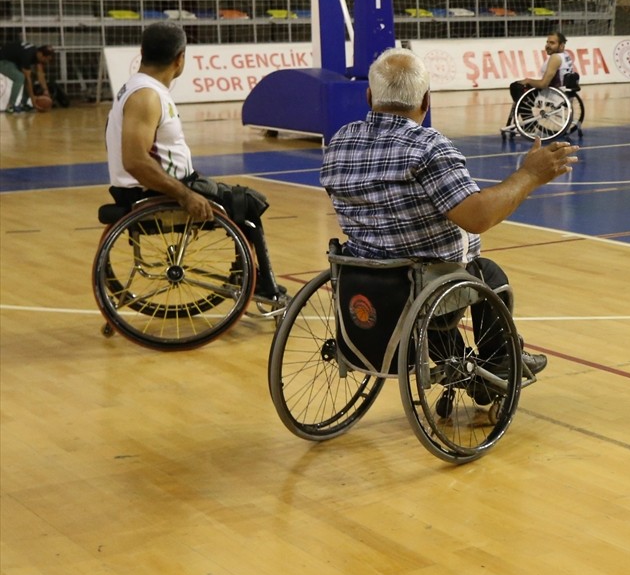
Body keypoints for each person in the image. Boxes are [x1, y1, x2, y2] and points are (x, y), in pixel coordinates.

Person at [321, 47, 579, 376]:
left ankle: (456, 363)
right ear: (426, 101)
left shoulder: (341, 140)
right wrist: (528, 175)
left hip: (361, 276)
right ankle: (498, 362)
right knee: (486, 273)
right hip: (420, 286)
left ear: (370, 96)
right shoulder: (429, 146)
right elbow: (477, 217)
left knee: (435, 279)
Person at [105, 22, 285, 299]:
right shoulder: (146, 96)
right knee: (248, 204)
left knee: (238, 199)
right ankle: (258, 284)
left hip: (158, 186)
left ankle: (246, 275)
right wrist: (185, 195)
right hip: (154, 192)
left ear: (142, 52)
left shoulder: (141, 88)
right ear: (180, 59)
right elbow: (135, 161)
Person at [0, 42, 54, 114]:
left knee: (33, 76)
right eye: (46, 59)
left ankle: (24, 104)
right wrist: (33, 101)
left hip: (12, 62)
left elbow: (40, 75)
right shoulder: (28, 55)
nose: (46, 61)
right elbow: (28, 81)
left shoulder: (37, 54)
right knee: (19, 77)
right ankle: (10, 106)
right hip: (3, 61)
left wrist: (46, 91)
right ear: (40, 54)